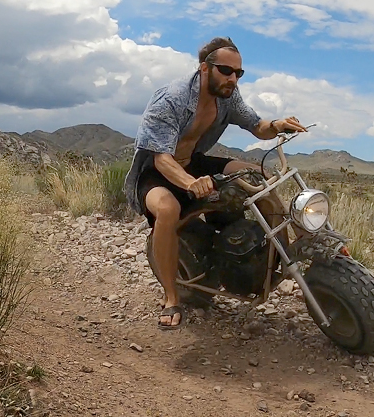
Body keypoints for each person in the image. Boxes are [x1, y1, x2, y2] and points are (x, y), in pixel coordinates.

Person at [123, 36, 308, 330]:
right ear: (204, 68)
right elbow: (160, 158)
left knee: (256, 175)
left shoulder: (227, 95)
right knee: (168, 209)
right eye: (226, 70)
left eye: (239, 73)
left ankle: (285, 254)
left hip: (194, 162)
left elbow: (256, 125)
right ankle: (171, 297)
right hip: (158, 173)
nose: (233, 78)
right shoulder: (170, 99)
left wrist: (276, 126)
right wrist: (190, 182)